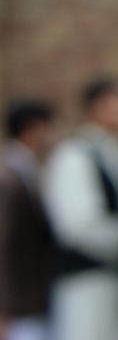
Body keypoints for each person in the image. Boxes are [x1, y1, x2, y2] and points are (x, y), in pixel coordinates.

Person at [44, 76, 118, 340]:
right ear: (95, 109)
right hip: (85, 281)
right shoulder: (74, 155)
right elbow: (76, 224)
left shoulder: (112, 153)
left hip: (112, 279)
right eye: (116, 107)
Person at [0, 101, 57, 340]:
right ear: (31, 129)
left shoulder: (28, 170)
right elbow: (4, 243)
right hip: (19, 305)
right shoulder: (9, 176)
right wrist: (4, 308)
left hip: (34, 299)